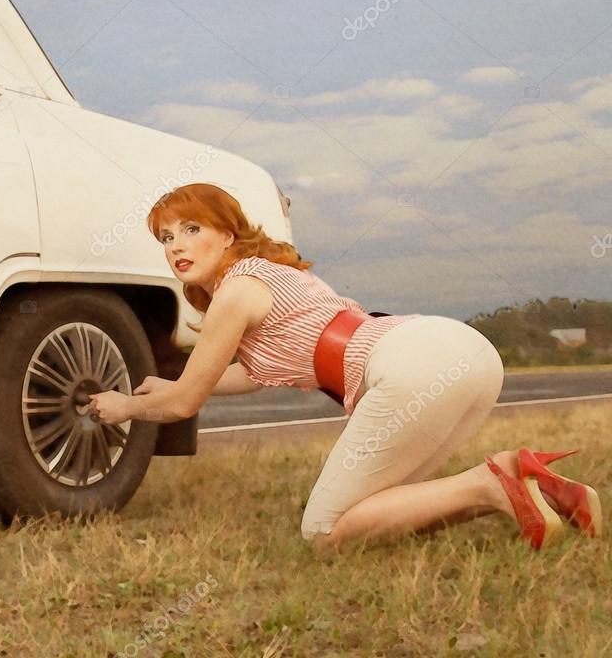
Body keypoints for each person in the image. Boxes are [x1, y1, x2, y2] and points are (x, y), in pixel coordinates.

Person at [88, 183, 601, 553]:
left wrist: (126, 406)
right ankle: (534, 488)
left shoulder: (238, 288)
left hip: (413, 365)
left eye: (191, 228)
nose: (175, 245)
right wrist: (176, 382)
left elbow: (183, 405)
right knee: (379, 505)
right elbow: (253, 374)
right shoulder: (271, 276)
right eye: (165, 237)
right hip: (462, 352)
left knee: (327, 534)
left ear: (226, 234)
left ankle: (493, 484)